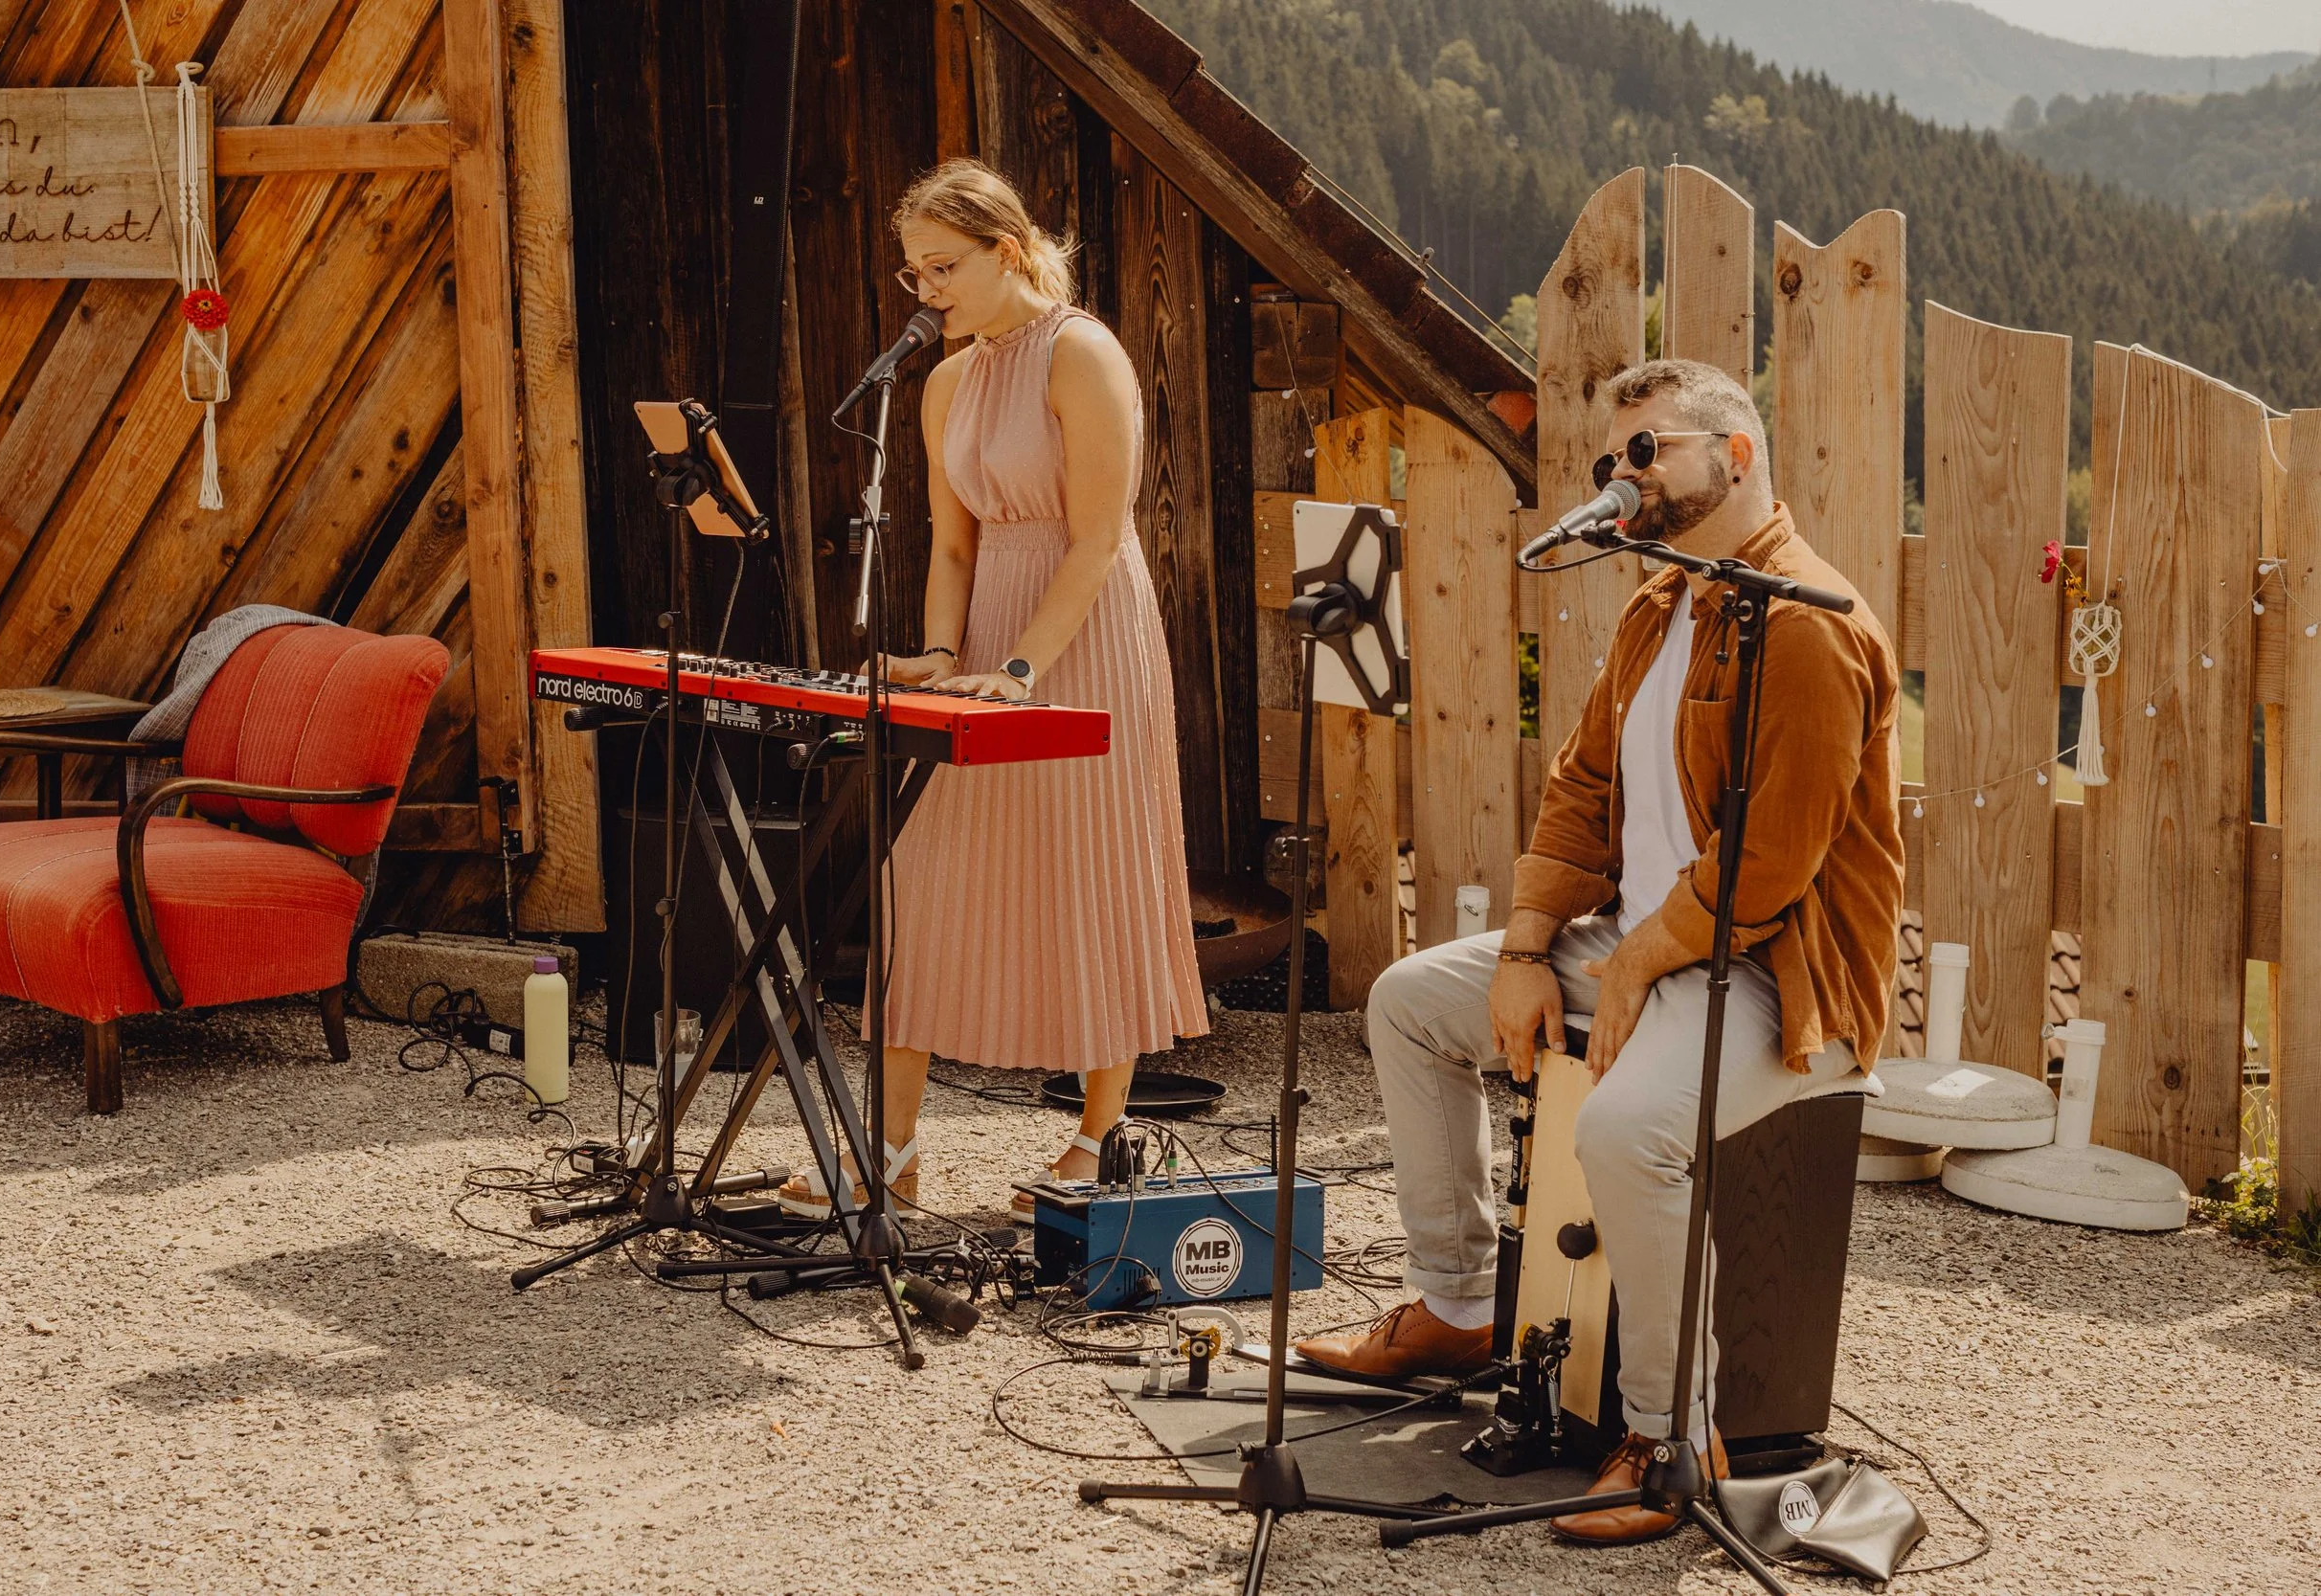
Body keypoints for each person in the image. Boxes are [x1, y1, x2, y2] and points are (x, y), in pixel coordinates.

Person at [1294, 360, 1904, 1545]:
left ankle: (1674, 1432)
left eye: (1644, 451)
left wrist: (1629, 966)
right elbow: (1581, 789)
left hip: (1776, 973)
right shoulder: (1657, 602)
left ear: (1732, 457)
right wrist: (1528, 947)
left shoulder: (1811, 624)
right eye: (1607, 460)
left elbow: (1769, 864)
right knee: (1413, 1000)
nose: (1618, 477)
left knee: (1624, 1129)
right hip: (1638, 942)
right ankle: (1460, 1304)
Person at [777, 159, 1206, 1223]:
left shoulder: (1084, 351)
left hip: (1086, 627)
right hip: (983, 640)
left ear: (1006, 252)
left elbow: (1102, 535)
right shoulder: (944, 381)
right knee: (925, 881)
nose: (923, 289)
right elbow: (953, 540)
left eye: (942, 266)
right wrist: (937, 650)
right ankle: (891, 1145)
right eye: (912, 270)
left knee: (1092, 864)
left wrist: (1022, 667)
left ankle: (1100, 1142)